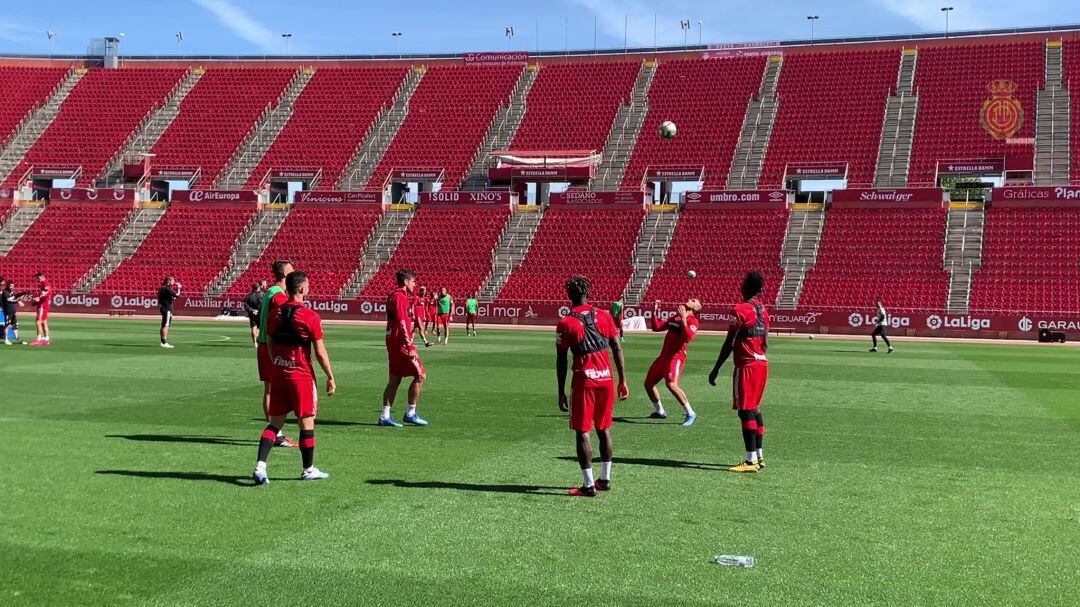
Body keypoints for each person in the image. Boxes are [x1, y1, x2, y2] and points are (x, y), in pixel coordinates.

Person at [252, 271, 336, 485]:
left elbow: (269, 342)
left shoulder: (275, 314)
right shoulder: (310, 316)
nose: (309, 288)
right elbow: (320, 351)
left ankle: (260, 467)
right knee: (306, 423)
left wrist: (277, 361)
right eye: (307, 285)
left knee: (274, 424)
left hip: (279, 373)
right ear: (301, 288)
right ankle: (308, 469)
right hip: (301, 376)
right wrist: (330, 375)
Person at [556, 276, 629, 497]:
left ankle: (588, 485)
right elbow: (617, 347)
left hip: (584, 381)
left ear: (569, 296)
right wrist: (623, 380)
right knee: (604, 429)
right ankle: (605, 479)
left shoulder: (566, 323)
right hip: (606, 379)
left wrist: (560, 391)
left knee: (583, 431)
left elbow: (561, 359)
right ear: (588, 293)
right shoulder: (604, 316)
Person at [708, 272, 770, 473]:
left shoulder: (739, 310)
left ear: (745, 287)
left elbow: (729, 342)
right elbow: (766, 342)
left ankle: (750, 461)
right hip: (762, 363)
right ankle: (759, 457)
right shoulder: (763, 310)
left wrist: (716, 369)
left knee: (745, 410)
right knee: (755, 409)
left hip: (747, 365)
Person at [380, 269, 429, 427]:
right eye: (413, 281)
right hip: (401, 343)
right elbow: (402, 322)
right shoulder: (400, 297)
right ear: (406, 282)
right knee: (420, 375)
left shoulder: (393, 295)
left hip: (392, 340)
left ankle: (385, 416)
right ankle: (410, 413)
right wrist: (409, 346)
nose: (415, 285)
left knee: (395, 379)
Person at [645, 298, 703, 426]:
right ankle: (660, 412)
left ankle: (691, 413)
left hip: (675, 358)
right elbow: (656, 327)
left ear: (696, 308)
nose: (689, 299)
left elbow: (688, 337)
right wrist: (654, 312)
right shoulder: (675, 317)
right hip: (662, 357)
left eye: (693, 300)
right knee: (648, 384)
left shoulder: (693, 321)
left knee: (672, 385)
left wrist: (683, 319)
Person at [257, 260, 295, 447]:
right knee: (275, 390)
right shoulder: (278, 296)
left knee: (270, 389)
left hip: (264, 344)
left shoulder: (270, 292)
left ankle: (274, 431)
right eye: (292, 271)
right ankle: (275, 433)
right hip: (271, 347)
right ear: (285, 275)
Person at [157, 276, 181, 348]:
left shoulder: (163, 288)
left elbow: (168, 297)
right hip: (167, 308)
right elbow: (177, 295)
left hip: (164, 307)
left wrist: (172, 298)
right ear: (169, 281)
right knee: (166, 325)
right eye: (173, 280)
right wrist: (179, 288)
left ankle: (162, 341)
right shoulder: (166, 288)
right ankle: (164, 342)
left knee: (164, 325)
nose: (174, 282)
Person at [29, 272, 51, 346]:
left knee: (38, 321)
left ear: (41, 276)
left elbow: (46, 292)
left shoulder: (45, 283)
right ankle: (46, 339)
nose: (37, 280)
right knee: (44, 322)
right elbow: (43, 294)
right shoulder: (43, 284)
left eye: (38, 278)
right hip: (43, 304)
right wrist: (36, 302)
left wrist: (39, 297)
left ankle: (38, 339)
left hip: (42, 306)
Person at [2, 279, 23, 346]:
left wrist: (21, 294)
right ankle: (6, 339)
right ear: (8, 285)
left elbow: (15, 297)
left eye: (13, 286)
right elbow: (9, 300)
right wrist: (18, 302)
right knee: (7, 325)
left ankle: (17, 339)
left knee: (15, 325)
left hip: (13, 312)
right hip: (8, 312)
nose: (12, 287)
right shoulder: (5, 292)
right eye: (11, 286)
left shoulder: (11, 292)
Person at [243, 281, 265, 346]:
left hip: (252, 314)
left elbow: (245, 305)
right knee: (259, 327)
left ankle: (254, 342)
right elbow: (264, 304)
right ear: (258, 287)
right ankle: (257, 339)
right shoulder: (263, 294)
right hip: (260, 313)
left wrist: (252, 310)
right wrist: (259, 311)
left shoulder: (248, 295)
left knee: (253, 327)